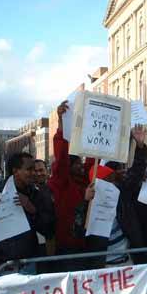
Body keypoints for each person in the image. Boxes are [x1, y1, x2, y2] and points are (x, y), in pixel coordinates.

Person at [73, 125, 147, 268]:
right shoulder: (87, 204)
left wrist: (139, 146)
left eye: (113, 179)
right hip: (103, 266)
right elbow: (77, 231)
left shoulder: (121, 195)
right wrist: (85, 202)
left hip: (128, 261)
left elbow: (136, 173)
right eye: (108, 180)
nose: (112, 183)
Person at [0, 153, 54, 275]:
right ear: (15, 171)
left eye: (35, 170)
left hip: (26, 266)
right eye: (29, 169)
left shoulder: (37, 195)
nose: (34, 173)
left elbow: (49, 230)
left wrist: (32, 210)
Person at [48, 101, 94, 264]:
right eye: (77, 164)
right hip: (68, 247)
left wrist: (95, 134)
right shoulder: (61, 182)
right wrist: (61, 124)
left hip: (85, 242)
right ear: (69, 166)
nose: (81, 166)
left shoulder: (84, 179)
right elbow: (61, 158)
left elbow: (92, 160)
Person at [34, 159, 56, 257]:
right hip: (36, 243)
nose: (39, 173)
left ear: (46, 171)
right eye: (36, 171)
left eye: (41, 170)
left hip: (53, 240)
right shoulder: (28, 192)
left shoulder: (54, 189)